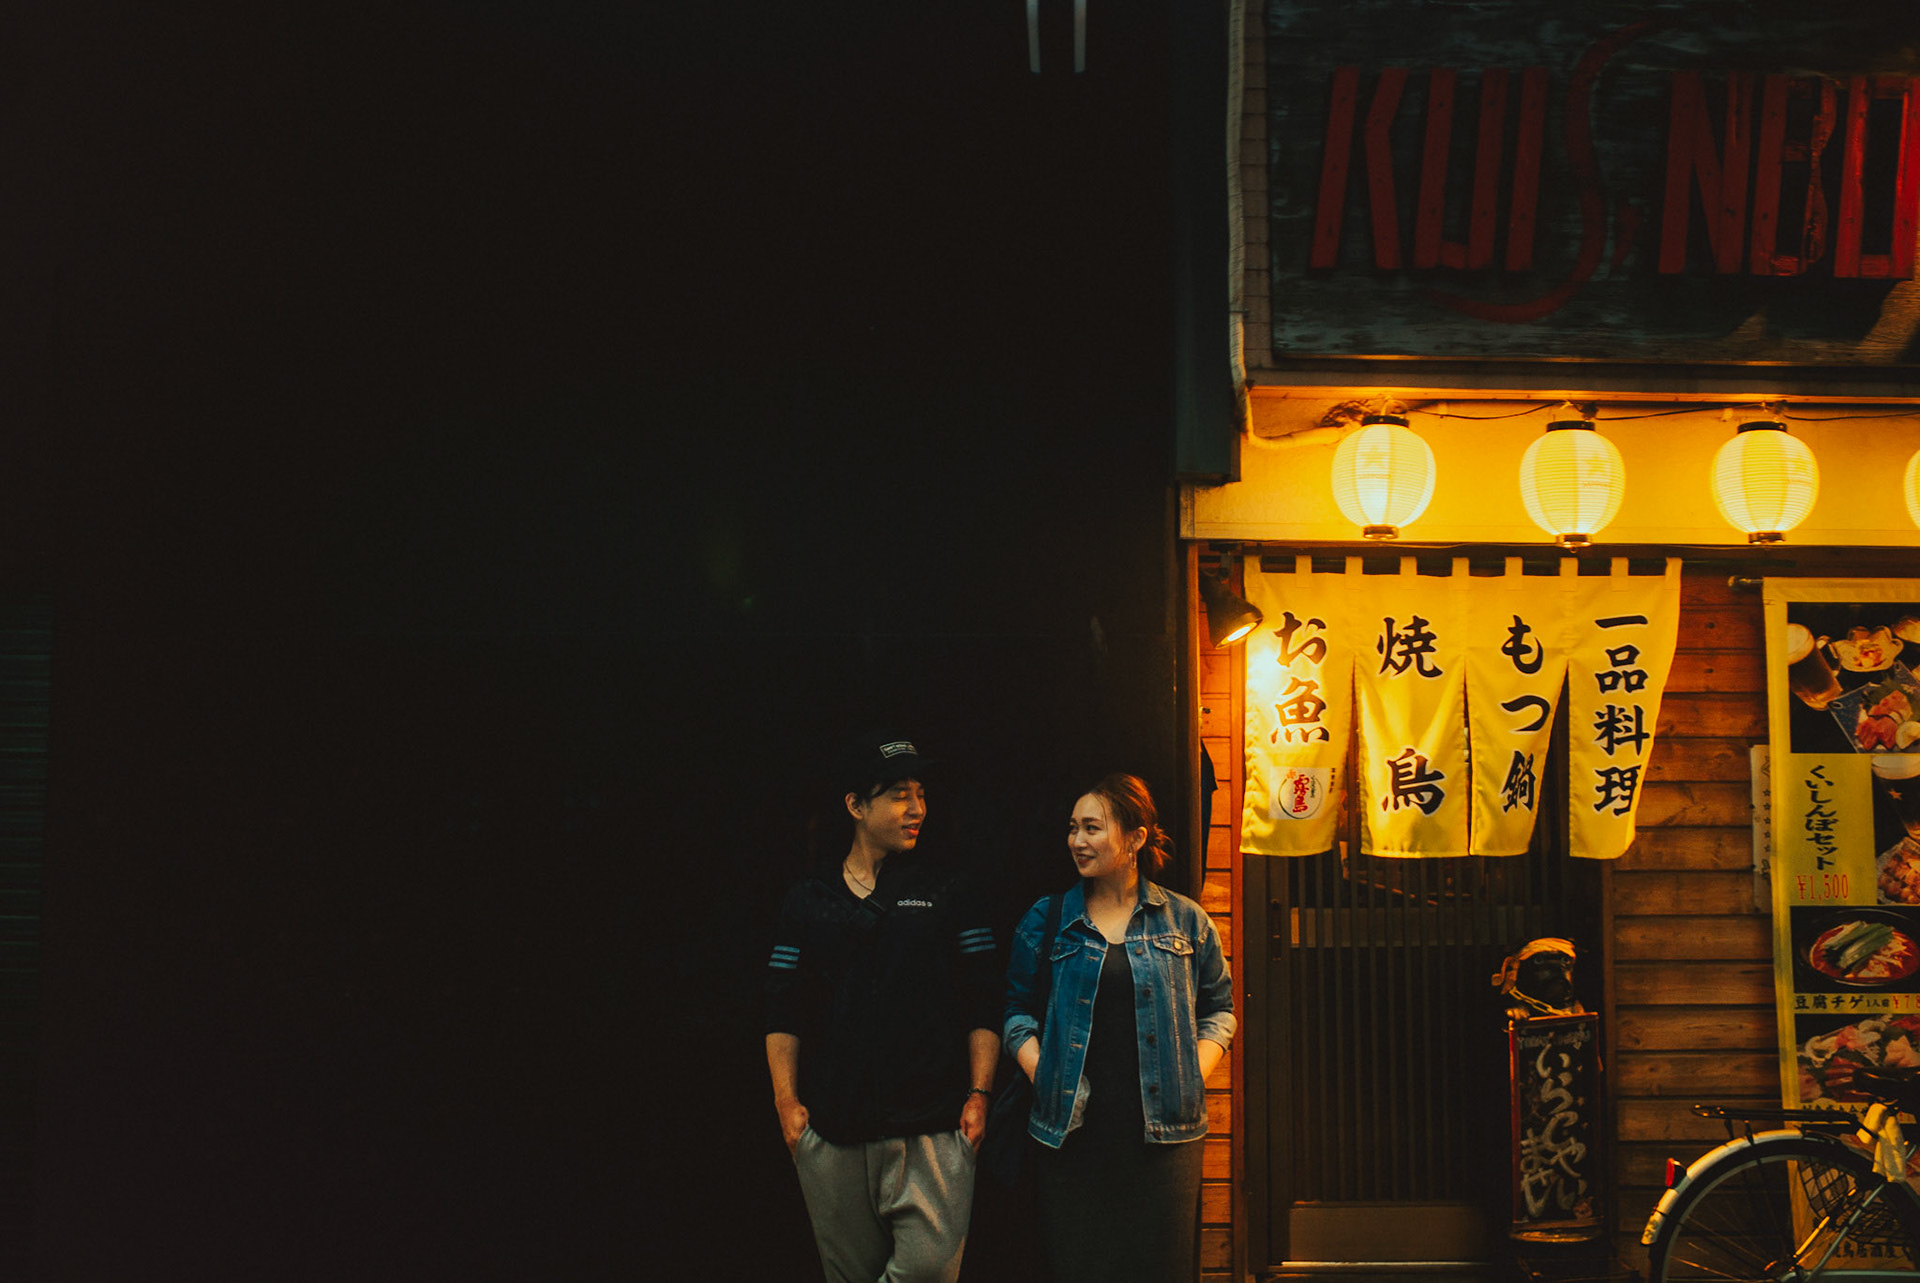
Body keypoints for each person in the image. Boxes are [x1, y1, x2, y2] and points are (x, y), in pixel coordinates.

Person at [765, 733, 1001, 1283]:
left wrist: (980, 1093)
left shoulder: (949, 890)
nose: (916, 807)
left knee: (926, 1272)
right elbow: (782, 1007)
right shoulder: (810, 898)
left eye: (920, 793)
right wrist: (787, 1106)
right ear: (855, 805)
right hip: (833, 1132)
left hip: (933, 1130)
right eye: (898, 793)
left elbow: (983, 997)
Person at [1003, 773, 1234, 1283]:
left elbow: (1220, 1008)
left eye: (1092, 828)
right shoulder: (1048, 919)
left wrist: (1196, 1068)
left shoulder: (1185, 921)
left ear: (1135, 839)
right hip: (1072, 1134)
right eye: (1072, 828)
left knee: (1160, 1269)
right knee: (1078, 1267)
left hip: (1165, 1135)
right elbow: (1016, 1012)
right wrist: (1042, 1071)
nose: (1077, 841)